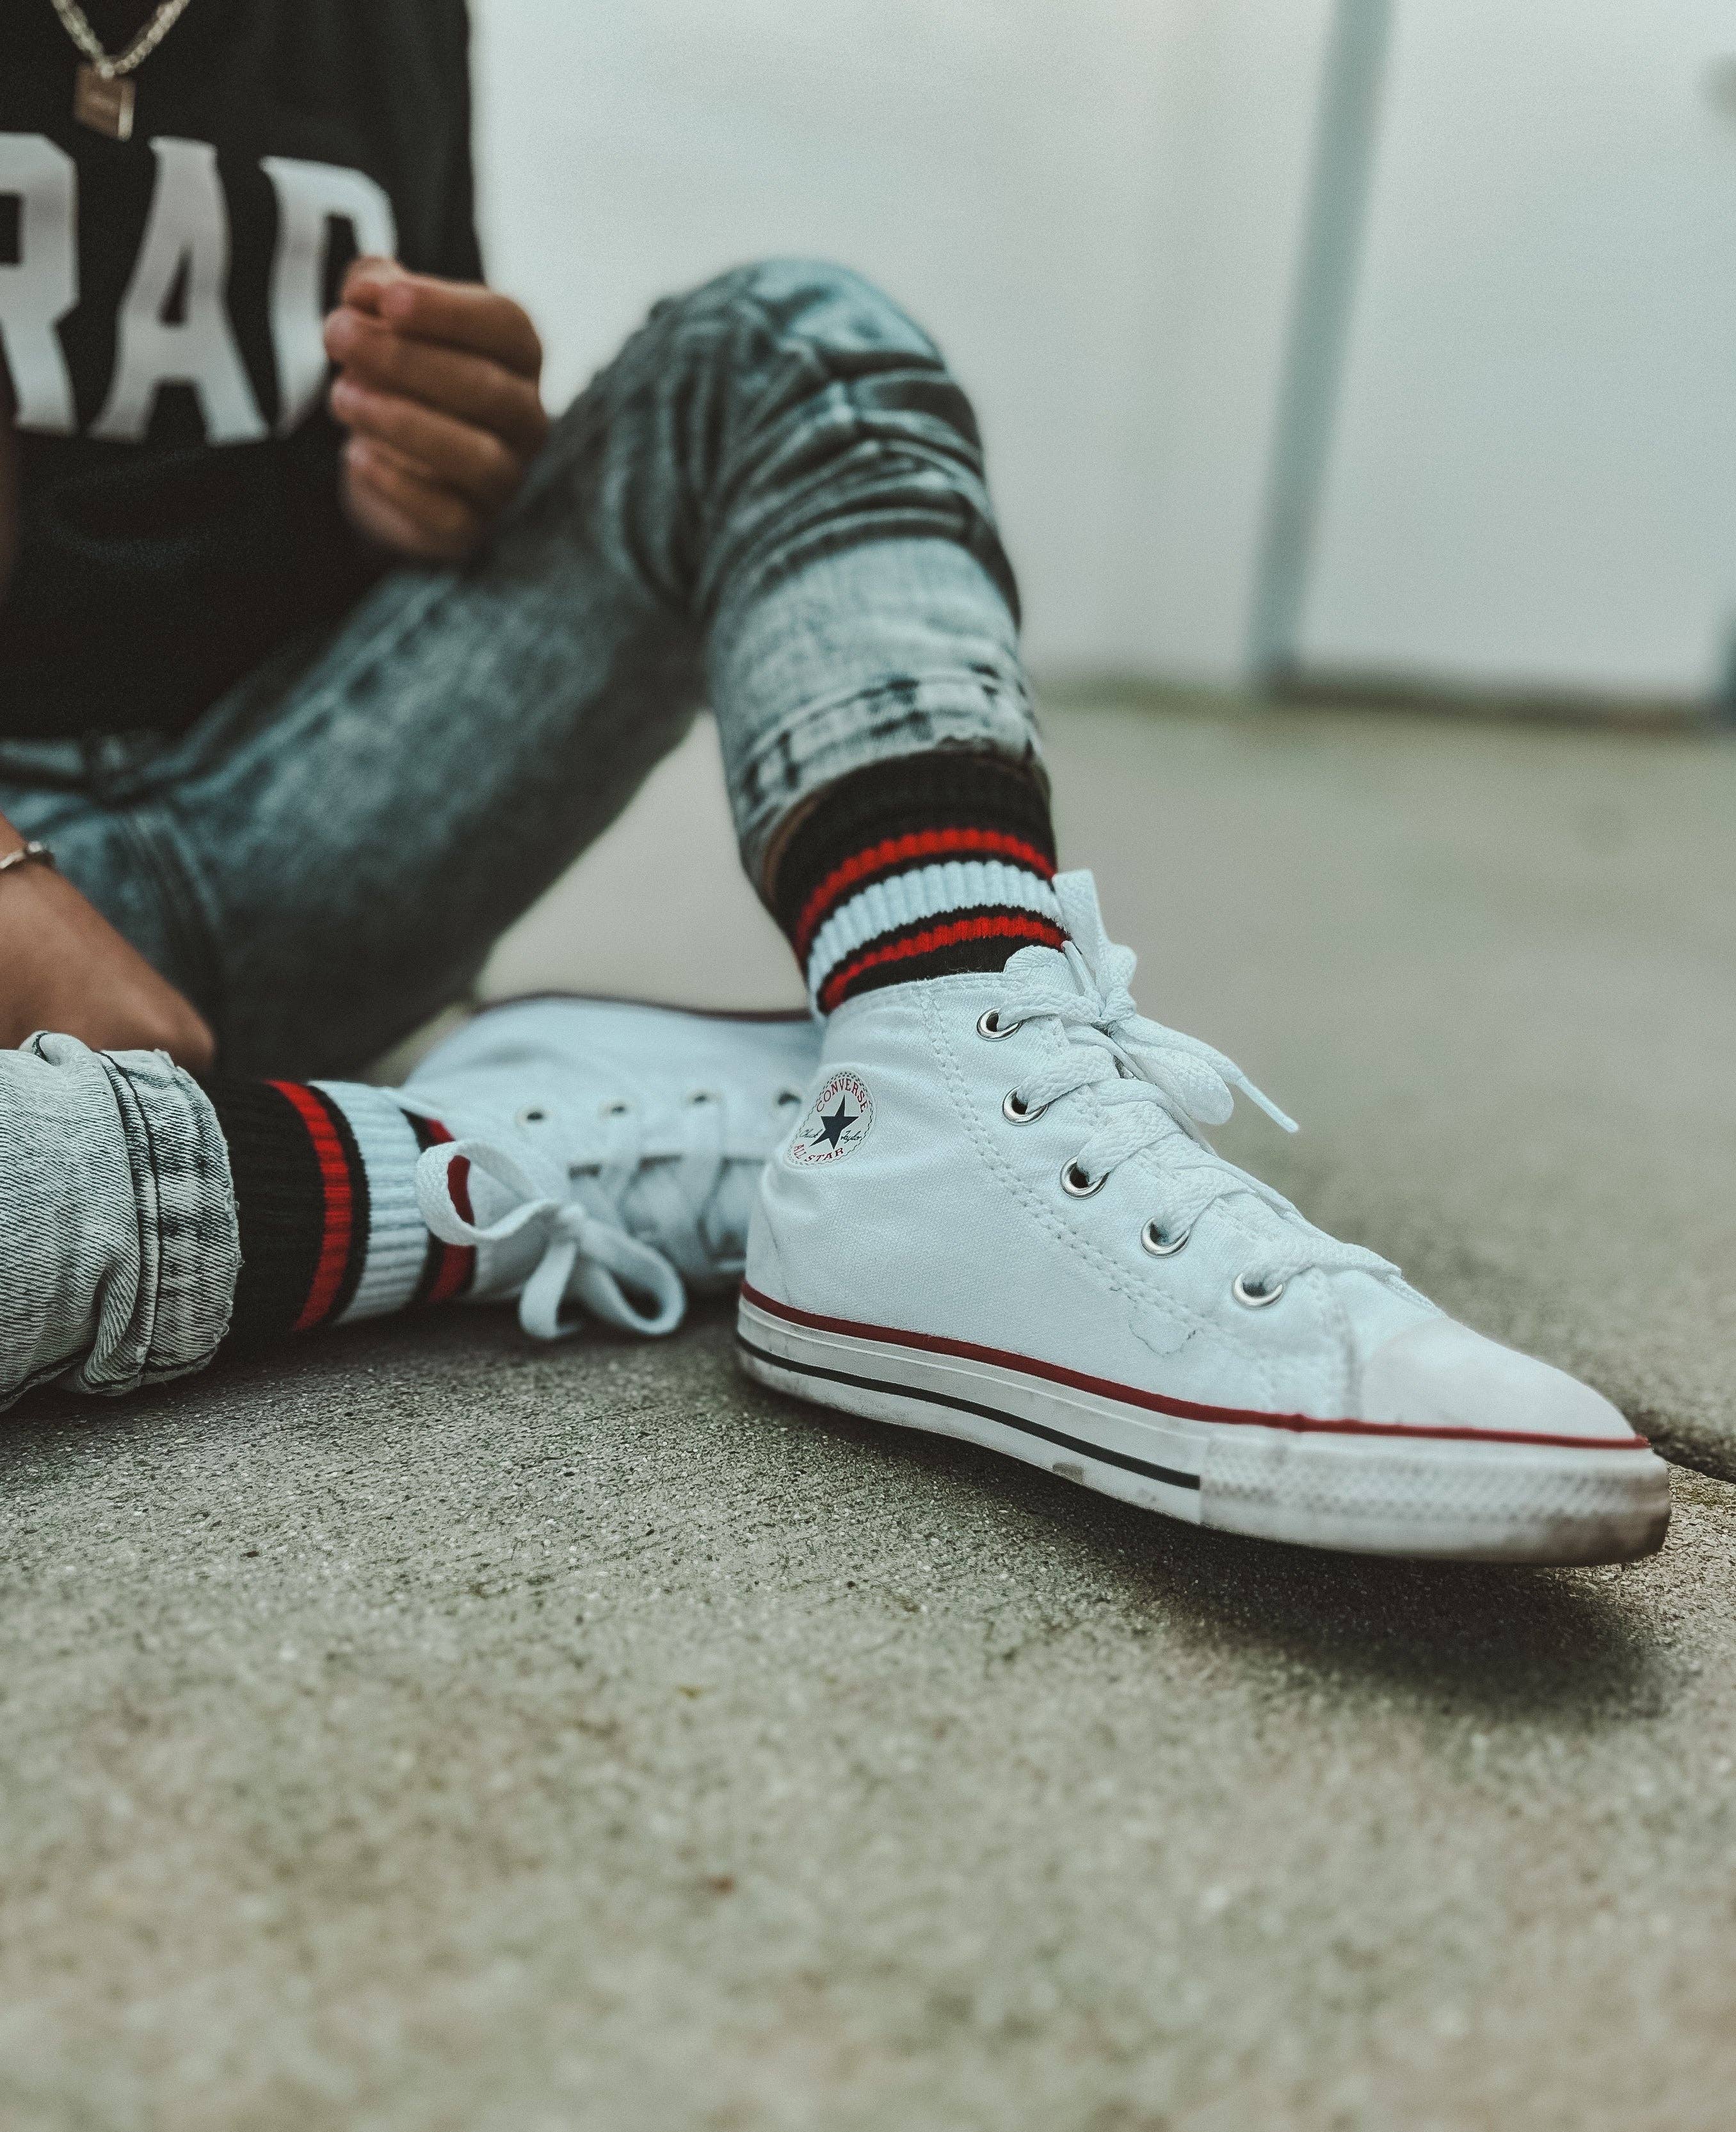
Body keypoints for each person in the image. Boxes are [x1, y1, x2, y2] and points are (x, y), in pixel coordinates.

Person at [0, 0, 1669, 1563]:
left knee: (788, 351)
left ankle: (937, 1103)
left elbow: (398, 449)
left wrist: (431, 472)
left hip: (297, 805)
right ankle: (472, 1162)